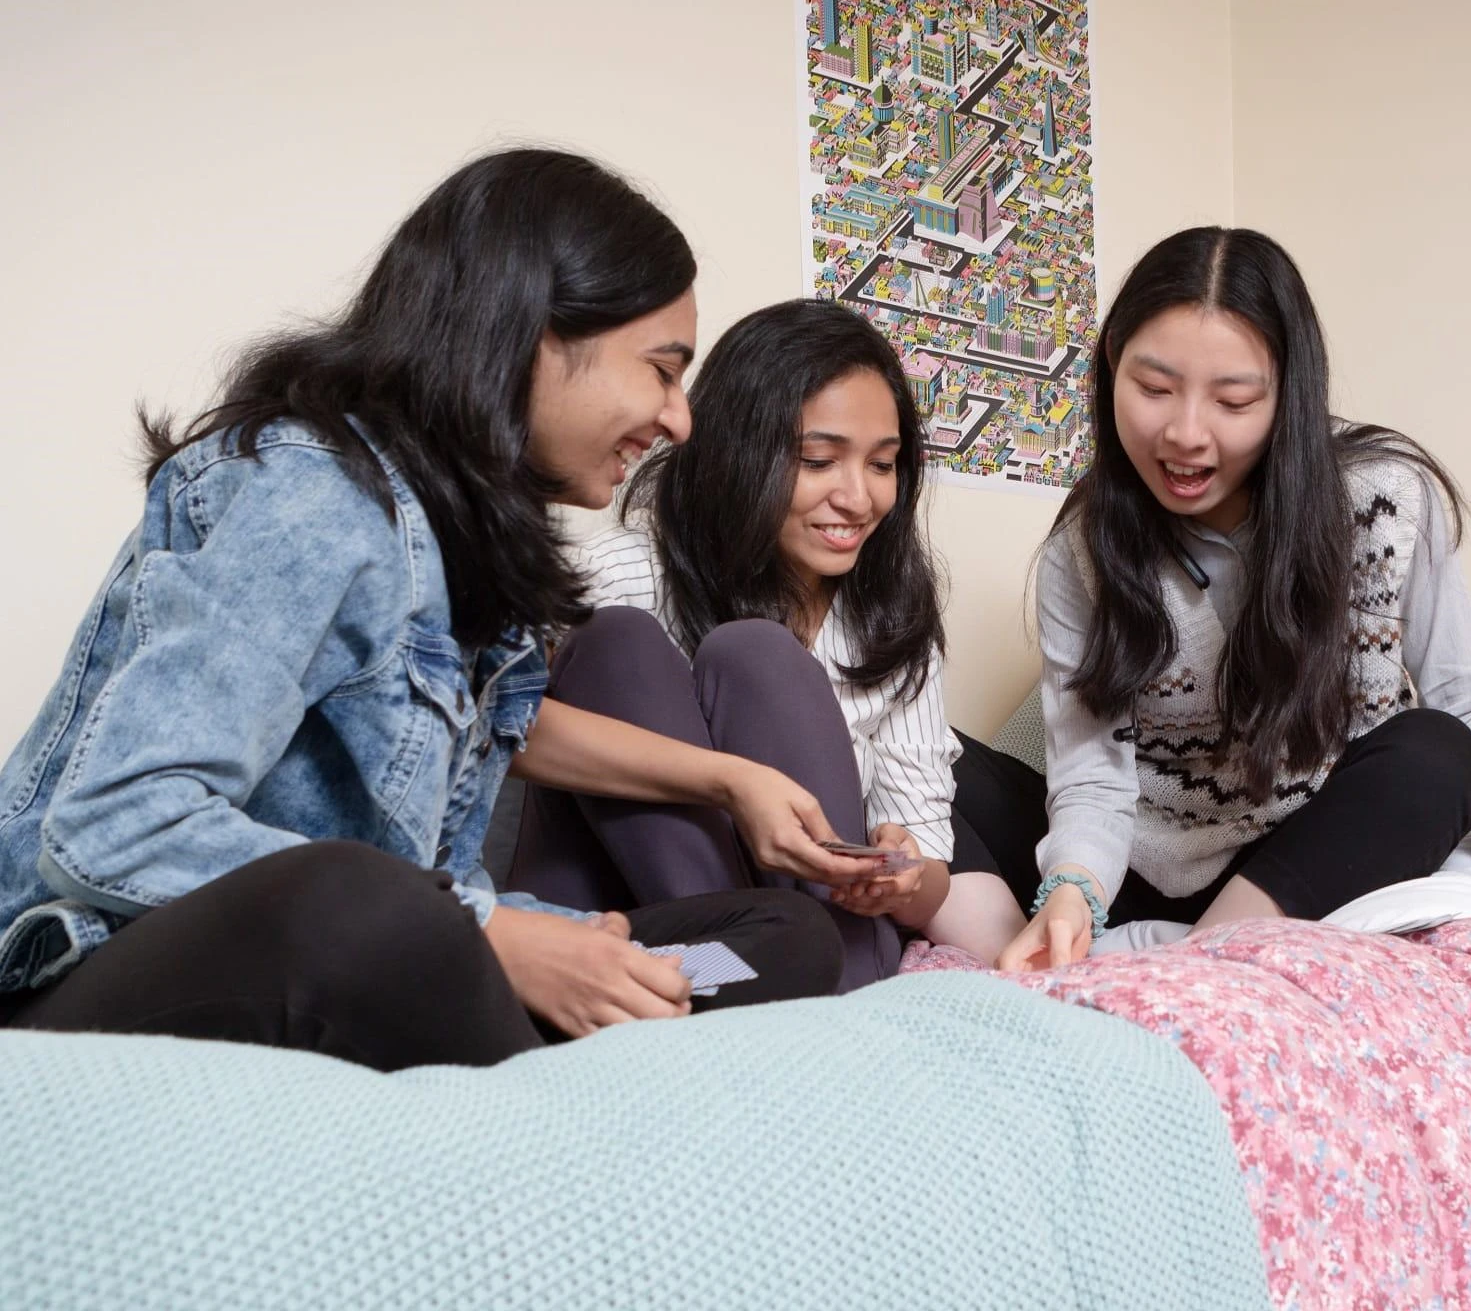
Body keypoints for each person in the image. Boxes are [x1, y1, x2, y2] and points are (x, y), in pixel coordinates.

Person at [0, 150, 851, 1071]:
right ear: (530, 336)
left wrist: (569, 930)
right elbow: (117, 825)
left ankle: (551, 1027)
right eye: (661, 370)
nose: (679, 421)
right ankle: (541, 1085)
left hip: (401, 950)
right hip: (113, 979)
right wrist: (493, 936)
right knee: (369, 899)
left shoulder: (466, 542)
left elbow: (468, 803)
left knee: (781, 931)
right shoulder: (313, 493)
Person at [949, 227, 1471, 972]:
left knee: (1439, 752)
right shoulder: (1086, 545)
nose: (1185, 434)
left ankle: (1197, 963)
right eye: (1153, 389)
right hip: (1139, 869)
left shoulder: (1386, 497)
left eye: (1233, 401)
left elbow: (1462, 697)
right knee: (917, 760)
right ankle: (1068, 949)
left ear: (1287, 393)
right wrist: (1070, 892)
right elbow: (1092, 769)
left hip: (1301, 867)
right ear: (1111, 368)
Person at [508, 299, 1008, 981]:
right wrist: (732, 785)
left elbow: (928, 864)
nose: (858, 498)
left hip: (828, 936)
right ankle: (738, 971)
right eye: (818, 460)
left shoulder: (892, 623)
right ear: (736, 452)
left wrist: (903, 877)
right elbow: (493, 727)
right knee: (618, 641)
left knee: (758, 656)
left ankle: (755, 975)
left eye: (883, 465)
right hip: (645, 928)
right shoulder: (621, 573)